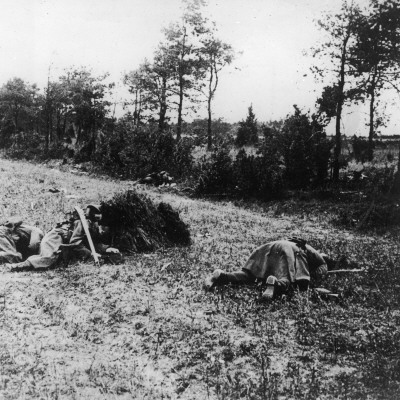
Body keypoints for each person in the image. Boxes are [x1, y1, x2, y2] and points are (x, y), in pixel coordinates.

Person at [4, 205, 121, 272]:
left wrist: (106, 249)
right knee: (48, 258)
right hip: (55, 237)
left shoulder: (93, 225)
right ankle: (17, 266)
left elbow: (92, 242)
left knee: (55, 260)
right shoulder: (82, 222)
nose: (103, 229)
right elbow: (75, 242)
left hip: (63, 241)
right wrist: (91, 255)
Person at [203, 238, 329, 300]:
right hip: (289, 251)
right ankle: (276, 284)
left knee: (249, 275)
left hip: (269, 247)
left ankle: (223, 276)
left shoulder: (298, 242)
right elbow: (321, 270)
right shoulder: (318, 257)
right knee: (290, 281)